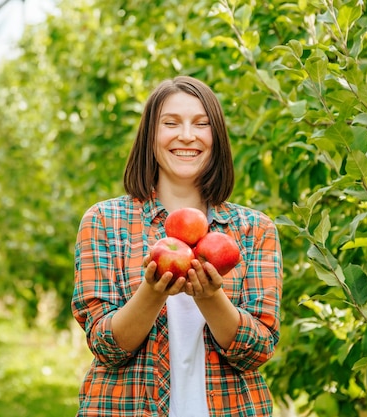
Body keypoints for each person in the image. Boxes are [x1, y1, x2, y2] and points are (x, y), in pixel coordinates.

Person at [71, 75, 283, 417]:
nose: (187, 135)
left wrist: (211, 297)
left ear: (217, 138)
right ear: (150, 137)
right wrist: (152, 292)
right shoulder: (104, 223)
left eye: (202, 124)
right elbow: (105, 347)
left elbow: (257, 351)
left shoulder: (253, 230)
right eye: (171, 123)